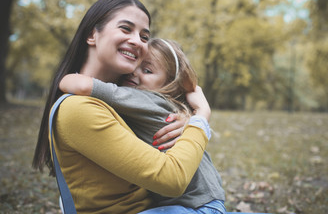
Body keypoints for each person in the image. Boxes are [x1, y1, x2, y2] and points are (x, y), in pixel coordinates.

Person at [32, 0, 212, 214]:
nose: (137, 41)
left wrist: (183, 118)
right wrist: (200, 116)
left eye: (144, 37)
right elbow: (172, 179)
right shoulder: (78, 108)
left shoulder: (123, 102)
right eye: (125, 29)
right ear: (92, 35)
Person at [59, 38, 227, 213]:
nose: (134, 73)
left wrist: (67, 77)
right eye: (134, 65)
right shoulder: (164, 106)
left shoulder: (143, 99)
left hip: (195, 207)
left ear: (169, 84)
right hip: (205, 201)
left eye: (147, 70)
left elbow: (83, 86)